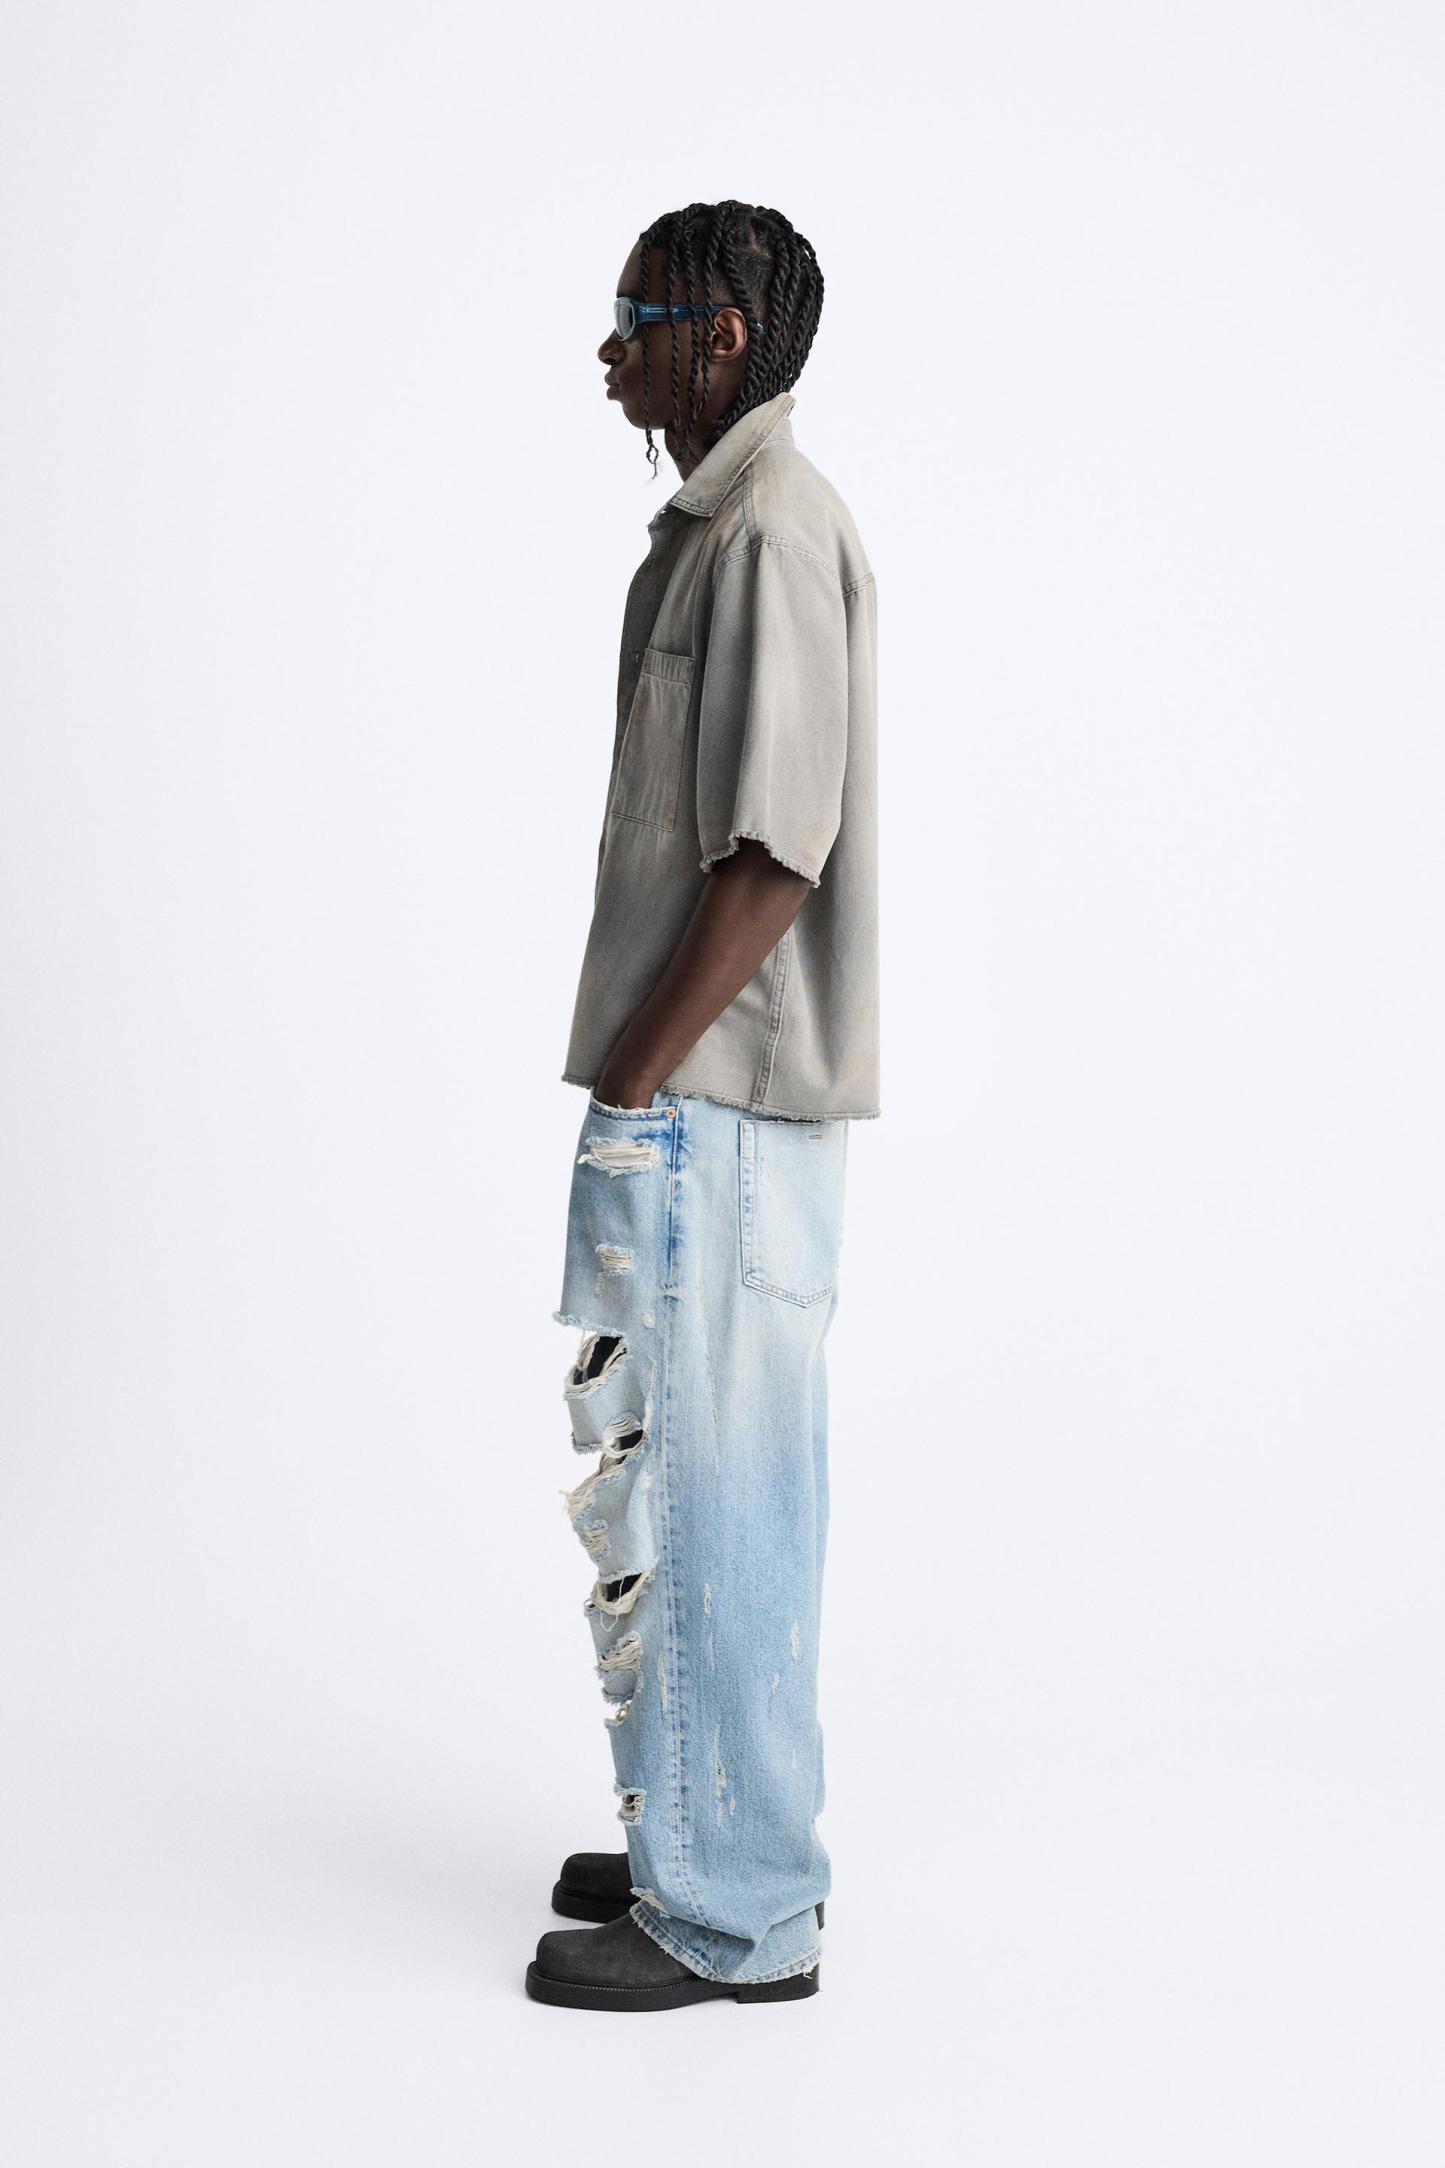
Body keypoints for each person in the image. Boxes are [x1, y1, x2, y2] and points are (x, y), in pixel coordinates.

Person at [524, 200, 879, 2013]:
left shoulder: (767, 532)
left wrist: (637, 1083)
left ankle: (735, 1914)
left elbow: (775, 855)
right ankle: (700, 1829)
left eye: (636, 315)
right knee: (684, 1485)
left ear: (720, 337)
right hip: (701, 1103)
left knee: (724, 1504)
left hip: (720, 1110)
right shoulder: (713, 527)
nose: (611, 349)